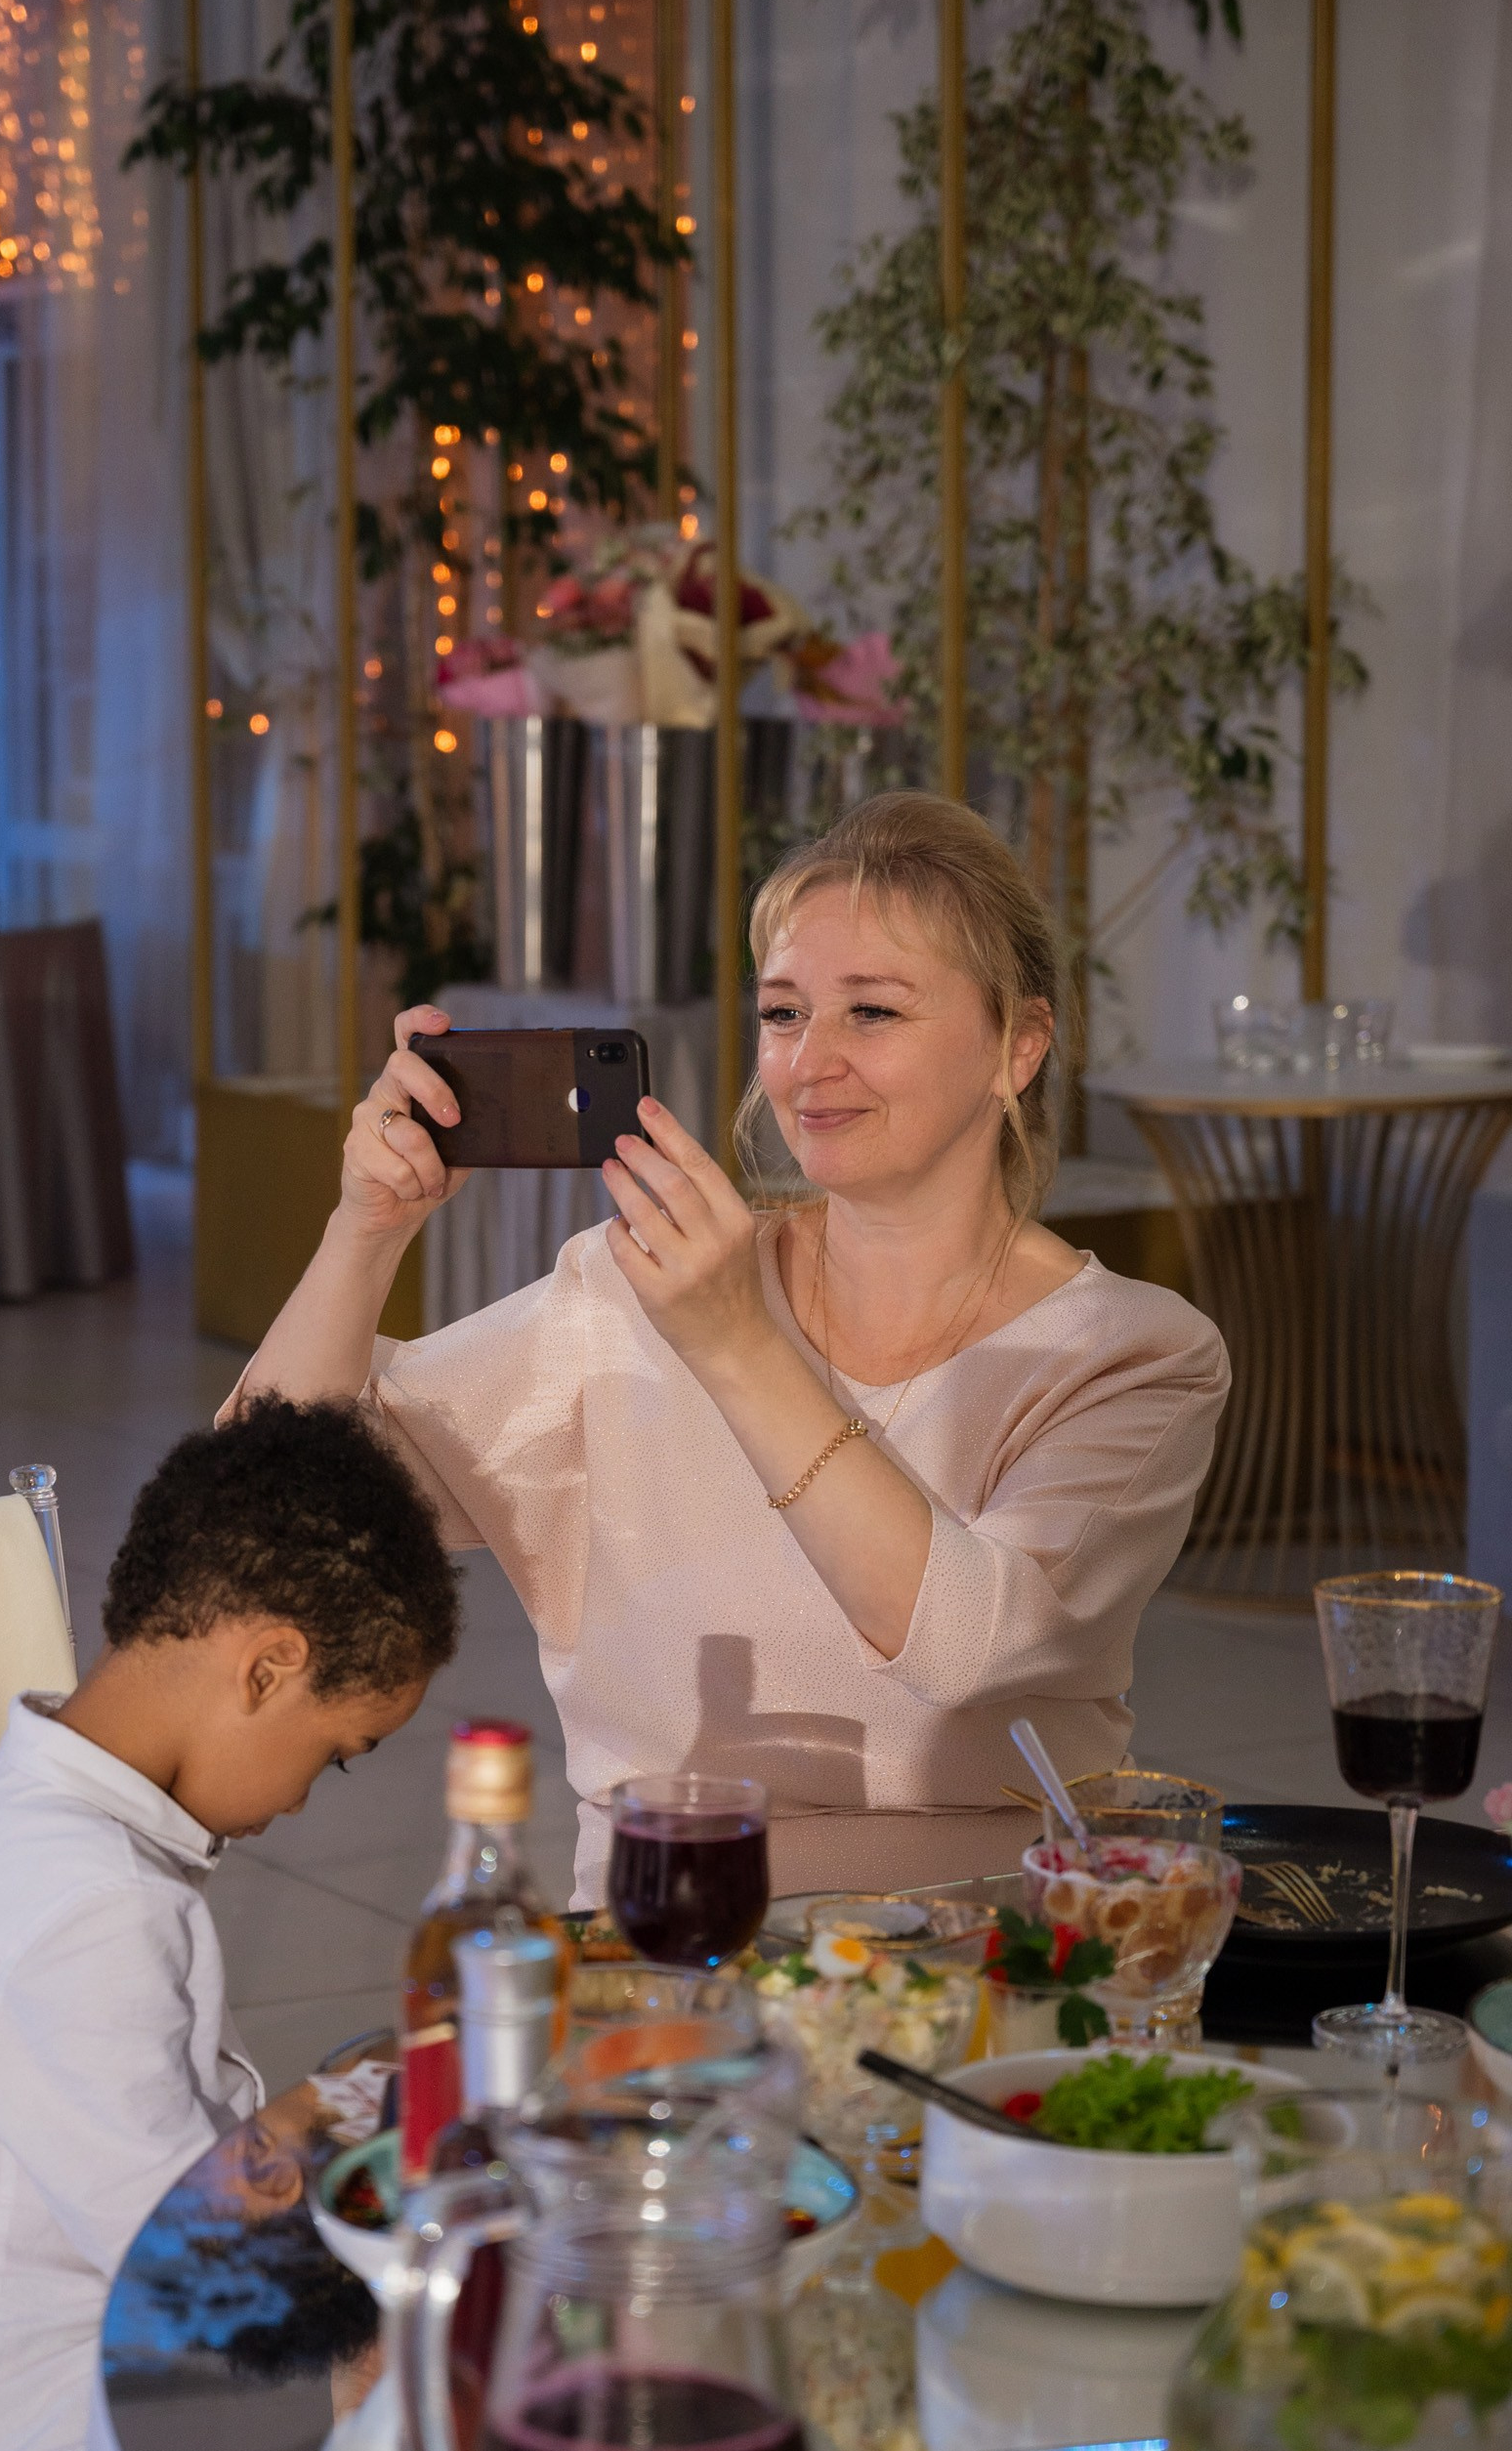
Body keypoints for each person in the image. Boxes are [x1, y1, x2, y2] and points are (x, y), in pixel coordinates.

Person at [239, 791, 1229, 1899]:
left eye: (872, 1012)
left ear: (1019, 1044)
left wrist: (733, 1342)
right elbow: (265, 1509)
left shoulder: (1131, 1352)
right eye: (783, 1012)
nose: (809, 1063)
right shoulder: (625, 1295)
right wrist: (361, 1233)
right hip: (665, 1937)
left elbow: (964, 1655)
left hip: (993, 1943)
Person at [0, 1395, 461, 2451]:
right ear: (269, 1663)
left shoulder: (53, 1810)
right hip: (61, 2436)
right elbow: (191, 2262)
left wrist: (331, 2101)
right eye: (334, 1749)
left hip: (121, 2349)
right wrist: (378, 2324)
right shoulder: (81, 1899)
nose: (307, 1794)